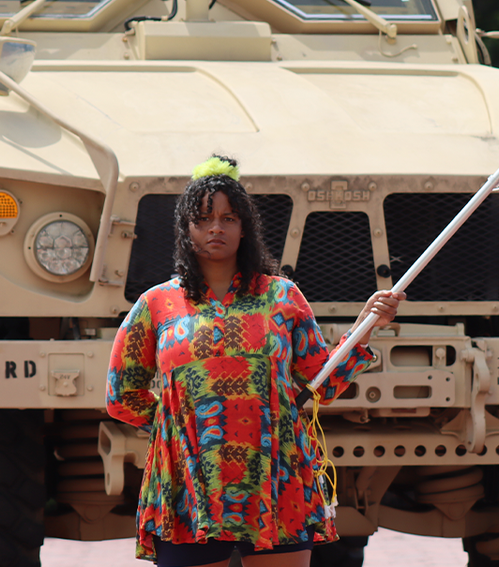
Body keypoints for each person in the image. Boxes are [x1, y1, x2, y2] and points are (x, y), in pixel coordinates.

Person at [107, 155, 404, 567]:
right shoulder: (156, 303)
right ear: (186, 229)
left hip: (276, 477)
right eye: (204, 219)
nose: (216, 228)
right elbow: (121, 394)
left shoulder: (283, 296)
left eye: (228, 218)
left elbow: (323, 383)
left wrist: (365, 326)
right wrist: (178, 427)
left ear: (244, 227)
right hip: (189, 483)